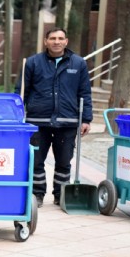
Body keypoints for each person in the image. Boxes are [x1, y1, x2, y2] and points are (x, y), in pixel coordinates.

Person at [16, 27, 92, 207]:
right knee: (35, 161)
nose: (56, 42)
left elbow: (85, 93)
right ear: (46, 41)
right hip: (37, 122)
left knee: (64, 162)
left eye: (60, 38)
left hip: (68, 121)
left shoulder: (78, 63)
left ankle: (61, 194)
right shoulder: (33, 63)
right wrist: (17, 117)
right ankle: (37, 194)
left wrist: (86, 119)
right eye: (52, 38)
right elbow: (21, 92)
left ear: (66, 41)